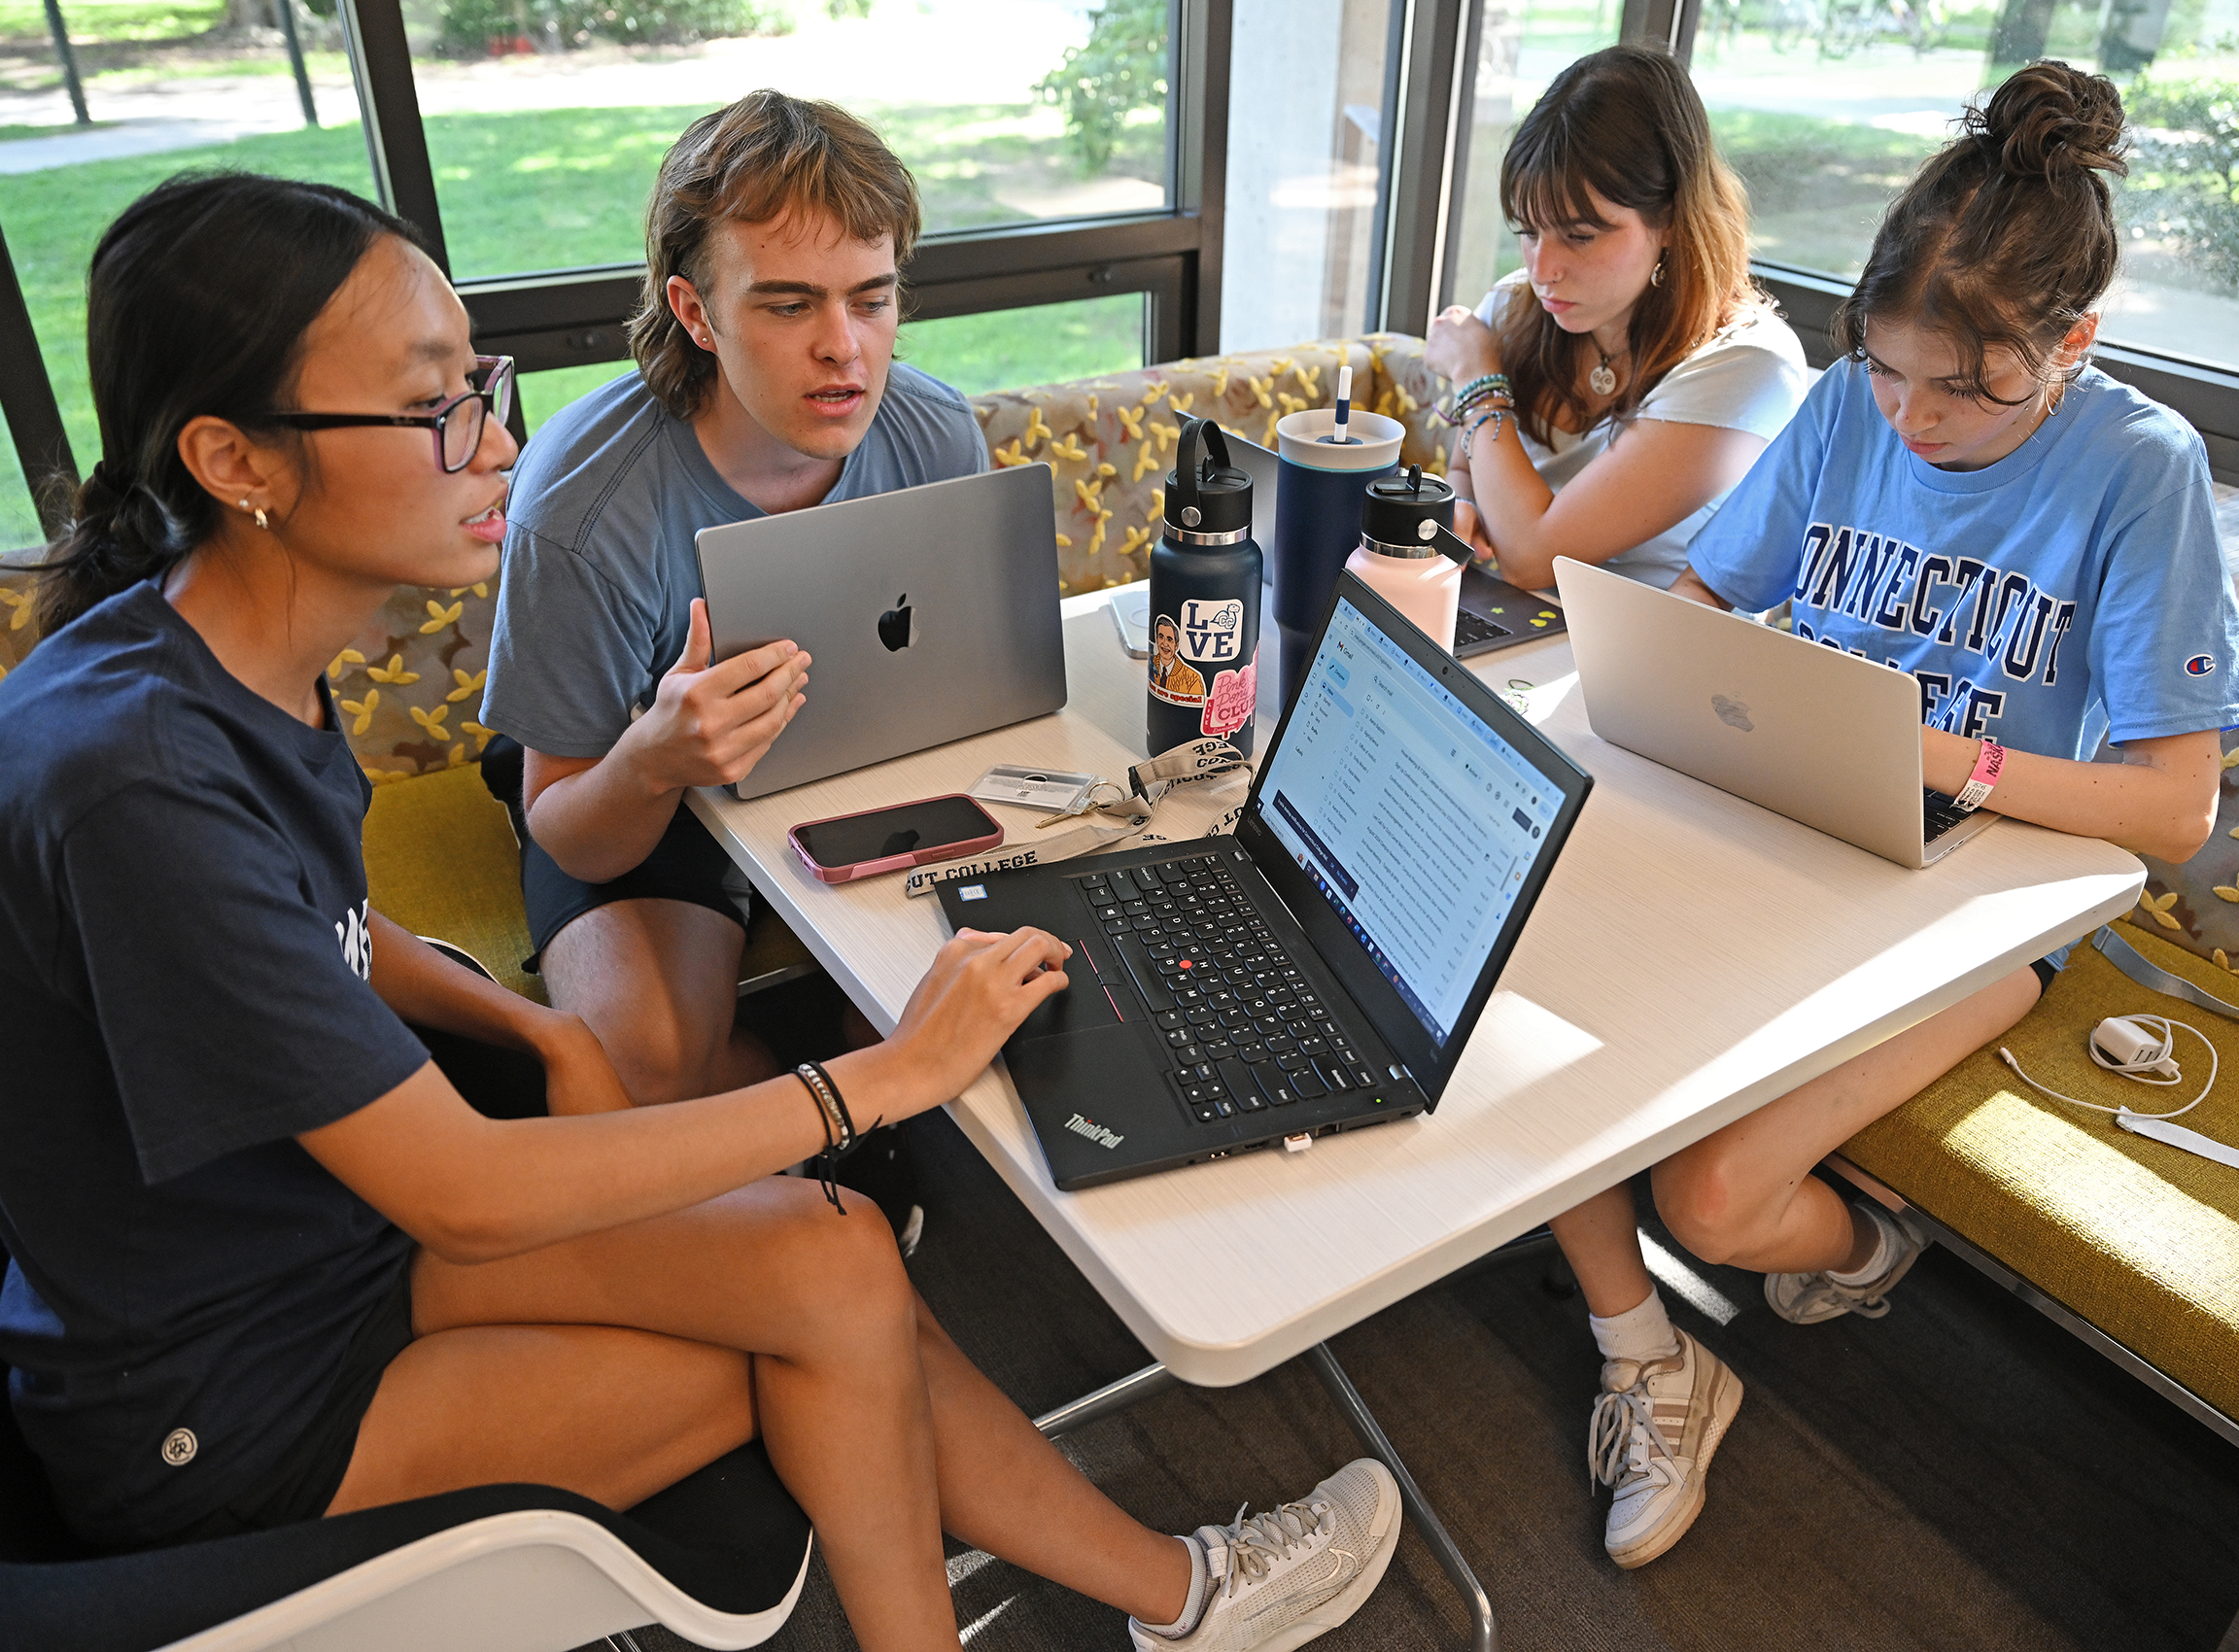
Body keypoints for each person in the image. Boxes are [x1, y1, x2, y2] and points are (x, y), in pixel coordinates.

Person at [0, 171, 1406, 1652]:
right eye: (436, 412)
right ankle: (1166, 1596)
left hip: (323, 1249)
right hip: (232, 1395)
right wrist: (884, 1075)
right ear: (237, 458)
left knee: (836, 1253)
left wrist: (531, 1030)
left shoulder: (220, 660)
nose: (497, 443)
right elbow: (464, 1194)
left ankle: (1180, 1598)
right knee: (829, 1335)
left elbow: (330, 931)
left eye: (479, 383)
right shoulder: (134, 785)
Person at [1542, 61, 2237, 1571]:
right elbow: (1713, 594)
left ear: (2071, 347)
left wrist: (1945, 760)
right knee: (1525, 982)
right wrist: (1729, 677)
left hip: (1985, 888)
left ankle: (1865, 1252)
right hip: (1795, 813)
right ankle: (1640, 1351)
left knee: (1714, 1198)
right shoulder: (1854, 413)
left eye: (1966, 387)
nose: (1911, 419)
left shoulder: (2138, 472)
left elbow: (2177, 812)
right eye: (1886, 370)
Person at [477, 90, 987, 1116]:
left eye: (872, 297)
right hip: (634, 775)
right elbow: (571, 826)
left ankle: (830, 1099)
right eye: (790, 304)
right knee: (643, 1062)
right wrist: (658, 756)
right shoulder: (582, 502)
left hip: (862, 755)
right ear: (696, 311)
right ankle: (844, 1134)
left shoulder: (935, 436)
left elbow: (971, 687)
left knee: (965, 991)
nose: (845, 346)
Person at [1422, 44, 1808, 594]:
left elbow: (1534, 557)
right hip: (1503, 623)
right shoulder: (1515, 308)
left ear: (1672, 219)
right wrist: (1460, 502)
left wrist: (1478, 383)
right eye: (1528, 233)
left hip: (1646, 662)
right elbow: (1469, 471)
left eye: (1580, 236)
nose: (1543, 270)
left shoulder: (1747, 365)